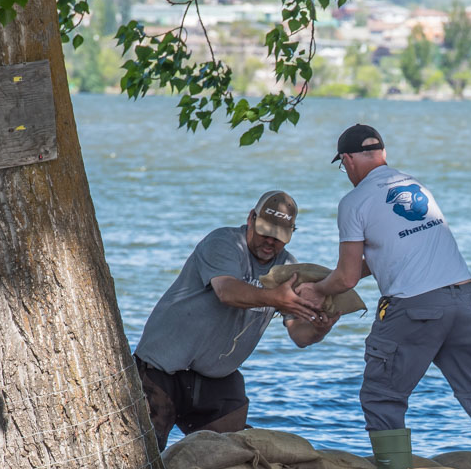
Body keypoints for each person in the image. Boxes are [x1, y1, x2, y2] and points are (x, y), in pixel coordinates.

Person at [301, 123, 471, 469]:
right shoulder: (416, 186)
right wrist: (337, 277)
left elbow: (346, 277)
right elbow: (389, 254)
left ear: (347, 160)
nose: (345, 172)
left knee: (382, 397)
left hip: (415, 308)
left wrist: (318, 289)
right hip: (466, 302)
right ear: (381, 153)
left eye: (343, 165)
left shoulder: (355, 201)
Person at [133, 190, 334, 447]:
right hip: (161, 369)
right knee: (145, 453)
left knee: (228, 453)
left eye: (280, 237)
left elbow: (299, 335)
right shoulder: (223, 242)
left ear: (292, 233)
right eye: (265, 231)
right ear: (251, 218)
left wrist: (319, 329)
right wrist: (275, 297)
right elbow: (226, 291)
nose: (270, 242)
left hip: (215, 378)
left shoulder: (287, 269)